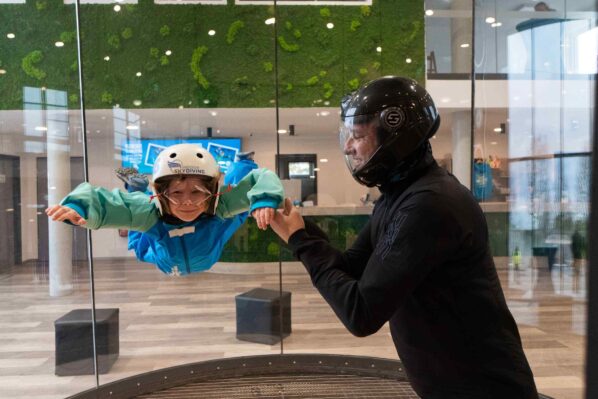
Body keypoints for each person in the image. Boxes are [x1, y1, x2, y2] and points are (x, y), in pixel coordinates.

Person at [270, 76, 538, 398]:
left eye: (357, 135)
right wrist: (300, 230)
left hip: (484, 387)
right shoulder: (398, 197)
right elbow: (352, 267)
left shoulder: (429, 204)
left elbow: (361, 313)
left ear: (395, 134)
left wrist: (301, 241)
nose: (348, 147)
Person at [46, 143, 284, 276]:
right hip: (164, 249)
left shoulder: (219, 206)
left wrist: (264, 200)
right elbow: (107, 202)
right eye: (177, 193)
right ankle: (136, 188)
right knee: (138, 243)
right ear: (161, 195)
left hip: (210, 243)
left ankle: (243, 162)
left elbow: (258, 180)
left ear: (211, 193)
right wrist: (80, 207)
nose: (187, 202)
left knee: (239, 212)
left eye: (197, 193)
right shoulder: (150, 212)